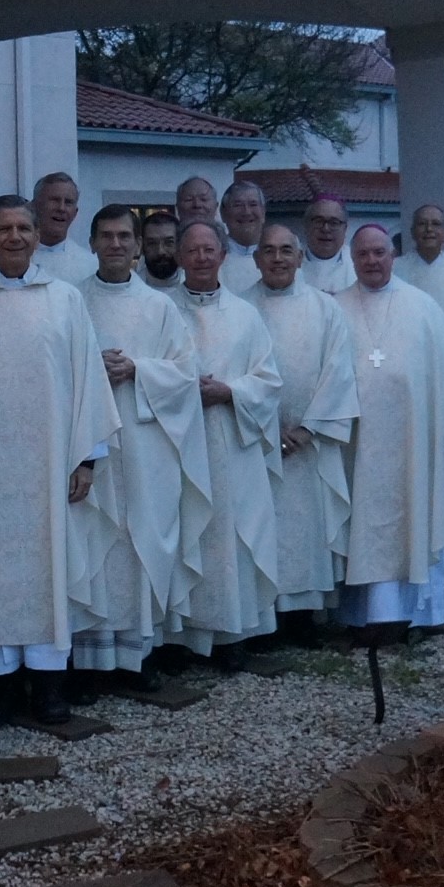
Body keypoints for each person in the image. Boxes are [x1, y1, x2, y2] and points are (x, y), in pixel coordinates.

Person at [0, 197, 118, 726]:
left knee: (48, 566)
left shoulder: (65, 300)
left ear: (36, 235)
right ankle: (0, 687)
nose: (15, 237)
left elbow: (87, 385)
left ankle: (51, 685)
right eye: (4, 228)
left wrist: (87, 459)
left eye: (24, 227)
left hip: (52, 463)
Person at [74, 205, 209, 691]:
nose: (115, 244)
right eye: (105, 235)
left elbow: (186, 372)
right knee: (96, 542)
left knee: (144, 541)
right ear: (90, 243)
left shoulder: (161, 307)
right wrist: (92, 363)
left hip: (150, 445)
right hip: (93, 445)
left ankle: (138, 656)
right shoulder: (73, 301)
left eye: (123, 237)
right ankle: (89, 662)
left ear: (136, 246)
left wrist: (137, 369)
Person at [167, 220, 283, 667]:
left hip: (231, 441)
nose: (200, 257)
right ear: (179, 256)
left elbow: (269, 379)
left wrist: (230, 392)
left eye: (208, 249)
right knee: (182, 530)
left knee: (230, 535)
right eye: (192, 250)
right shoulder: (162, 309)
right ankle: (180, 638)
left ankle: (231, 635)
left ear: (222, 255)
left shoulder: (245, 315)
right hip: (178, 443)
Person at [335, 225, 444, 637]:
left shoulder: (423, 308)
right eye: (363, 254)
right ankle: (359, 615)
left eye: (379, 253)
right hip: (355, 441)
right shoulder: (335, 308)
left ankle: (418, 613)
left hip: (412, 441)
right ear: (352, 259)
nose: (372, 261)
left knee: (413, 513)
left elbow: (443, 384)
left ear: (393, 255)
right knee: (360, 519)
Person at [250, 223, 359, 641]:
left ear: (299, 258)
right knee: (264, 529)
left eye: (285, 251)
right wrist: (266, 428)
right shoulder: (243, 307)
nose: (277, 258)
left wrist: (308, 429)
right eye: (269, 251)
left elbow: (338, 371)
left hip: (308, 443)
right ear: (257, 259)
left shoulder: (325, 309)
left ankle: (304, 618)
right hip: (258, 443)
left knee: (306, 528)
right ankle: (266, 619)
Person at [392, 203, 444, 324]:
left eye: (436, 224)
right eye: (422, 224)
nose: (429, 229)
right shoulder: (394, 269)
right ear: (412, 232)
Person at [29, 171, 95, 283]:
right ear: (34, 206)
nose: (61, 208)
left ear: (75, 213)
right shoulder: (13, 258)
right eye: (54, 200)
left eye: (68, 202)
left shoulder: (90, 265)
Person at [298, 194, 357, 294]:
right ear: (306, 225)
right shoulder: (289, 263)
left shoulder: (358, 263)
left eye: (334, 223)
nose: (326, 229)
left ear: (345, 229)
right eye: (318, 221)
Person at [220, 179, 268, 294]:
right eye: (238, 205)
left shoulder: (279, 258)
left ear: (263, 212)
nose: (246, 212)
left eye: (253, 204)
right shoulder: (213, 258)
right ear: (223, 214)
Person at [137, 209, 184, 291]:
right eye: (152, 243)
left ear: (180, 245)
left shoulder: (195, 285)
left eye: (168, 243)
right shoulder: (133, 286)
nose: (160, 251)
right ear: (141, 246)